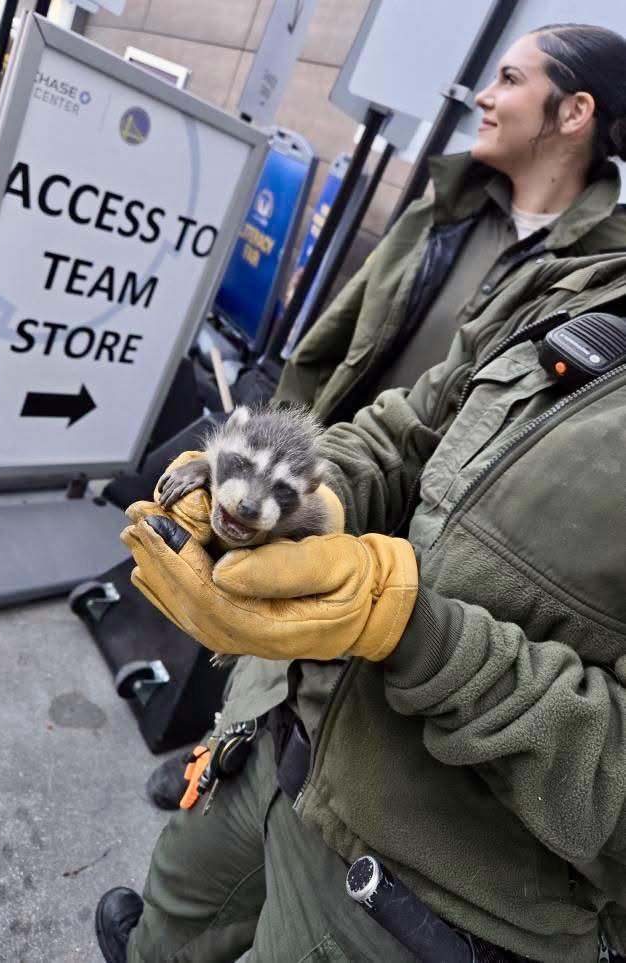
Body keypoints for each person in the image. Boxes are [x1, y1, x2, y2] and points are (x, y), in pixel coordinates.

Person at [97, 23, 626, 963]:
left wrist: (404, 623)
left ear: (575, 114)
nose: (482, 98)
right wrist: (302, 494)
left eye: (508, 77)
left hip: (427, 883)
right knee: (175, 907)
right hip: (297, 718)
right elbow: (400, 415)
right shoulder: (573, 286)